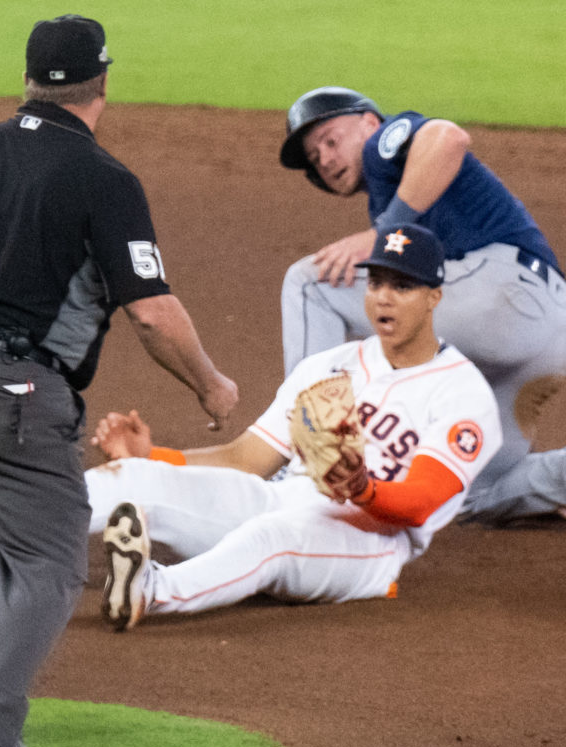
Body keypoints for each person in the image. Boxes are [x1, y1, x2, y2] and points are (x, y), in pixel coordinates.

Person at [0, 15, 237, 747]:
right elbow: (149, 311)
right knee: (49, 559)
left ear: (28, 78)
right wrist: (212, 385)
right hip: (5, 390)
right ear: (103, 82)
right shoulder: (102, 178)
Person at [277, 86, 566, 544]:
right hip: (546, 334)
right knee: (458, 494)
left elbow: (447, 139)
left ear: (368, 122)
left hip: (503, 294)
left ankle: (304, 462)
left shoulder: (383, 145)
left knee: (310, 283)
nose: (323, 159)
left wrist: (383, 232)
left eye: (329, 140)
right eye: (314, 157)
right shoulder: (391, 193)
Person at [87, 223, 503, 631]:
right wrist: (152, 456)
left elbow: (420, 502)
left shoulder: (463, 393)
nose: (384, 299)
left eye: (402, 286)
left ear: (434, 297)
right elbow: (246, 458)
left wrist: (363, 490)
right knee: (141, 478)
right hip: (284, 498)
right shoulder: (329, 366)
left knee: (271, 535)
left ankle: (153, 589)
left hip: (369, 543)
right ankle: (27, 528)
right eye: (376, 283)